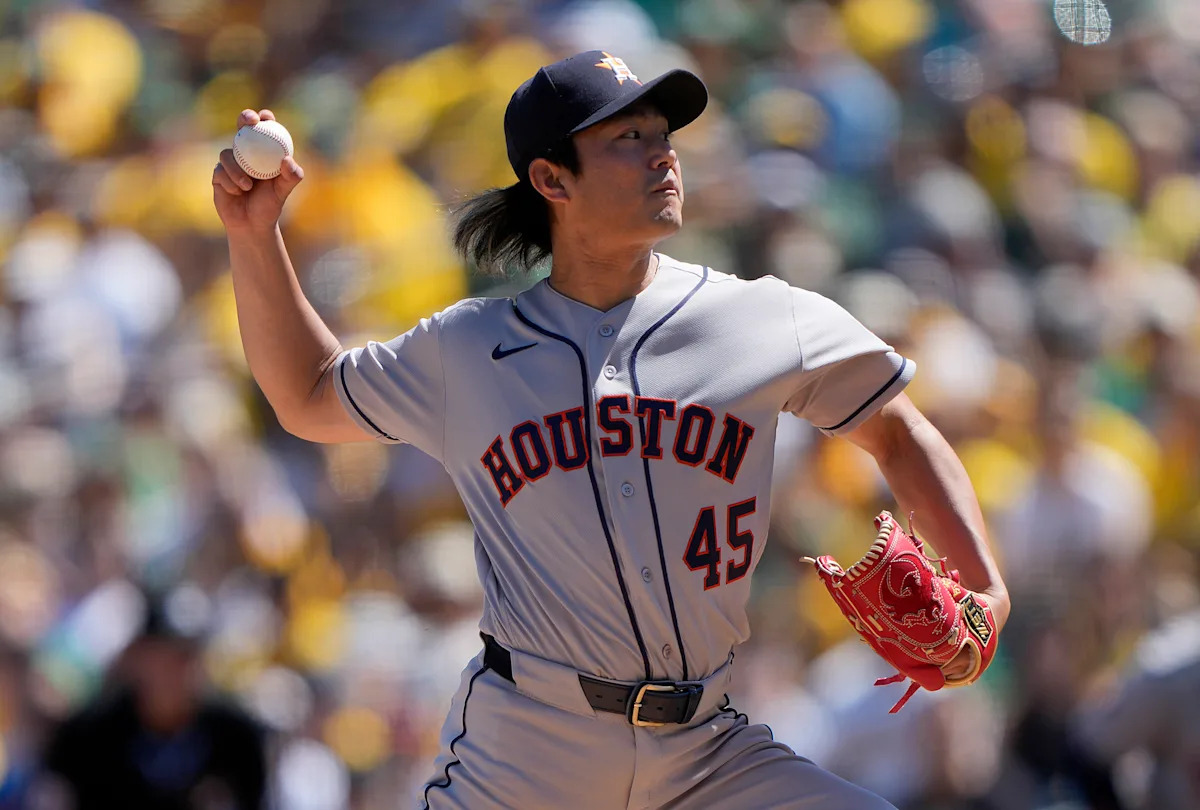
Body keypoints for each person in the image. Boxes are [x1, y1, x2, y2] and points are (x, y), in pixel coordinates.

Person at [212, 50, 1010, 810]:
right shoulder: (468, 349)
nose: (663, 156)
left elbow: (897, 432)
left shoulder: (765, 320)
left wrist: (983, 585)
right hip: (531, 748)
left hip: (708, 749)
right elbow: (309, 394)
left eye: (664, 137)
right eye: (628, 138)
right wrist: (256, 237)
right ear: (552, 178)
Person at [35, 597, 267, 810]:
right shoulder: (86, 740)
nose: (173, 672)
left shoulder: (237, 741)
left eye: (184, 658)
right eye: (161, 658)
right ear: (136, 661)